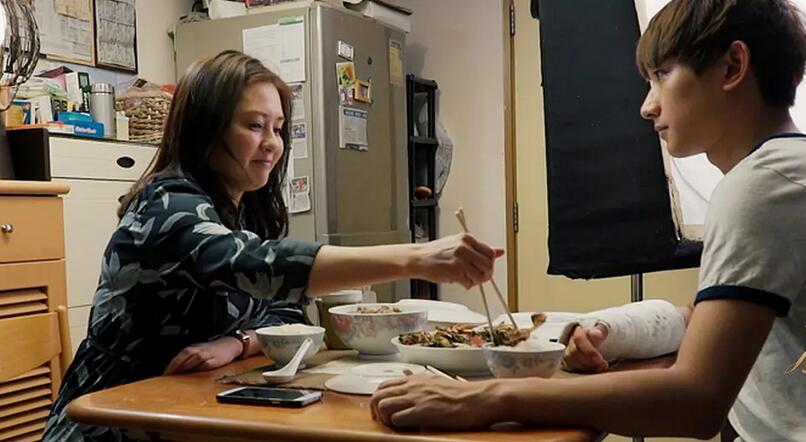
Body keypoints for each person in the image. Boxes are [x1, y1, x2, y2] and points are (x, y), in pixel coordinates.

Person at [370, 1, 806, 440]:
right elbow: (708, 319)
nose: (647, 106)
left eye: (662, 75)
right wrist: (614, 331)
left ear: (732, 67)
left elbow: (694, 402)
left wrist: (485, 398)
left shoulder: (768, 185)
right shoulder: (793, 170)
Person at [44, 50, 503, 441]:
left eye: (278, 128)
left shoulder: (241, 210)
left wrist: (236, 343)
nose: (272, 144)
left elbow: (284, 310)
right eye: (254, 126)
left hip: (195, 413)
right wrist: (418, 256)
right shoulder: (167, 206)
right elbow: (258, 267)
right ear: (206, 130)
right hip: (112, 420)